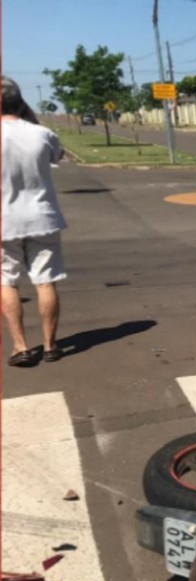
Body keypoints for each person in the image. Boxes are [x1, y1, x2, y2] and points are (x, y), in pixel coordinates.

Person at [1, 76, 67, 367]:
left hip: (5, 221)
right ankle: (51, 344)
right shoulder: (42, 133)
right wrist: (31, 119)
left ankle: (20, 346)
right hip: (42, 217)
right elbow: (58, 155)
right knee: (45, 280)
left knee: (7, 281)